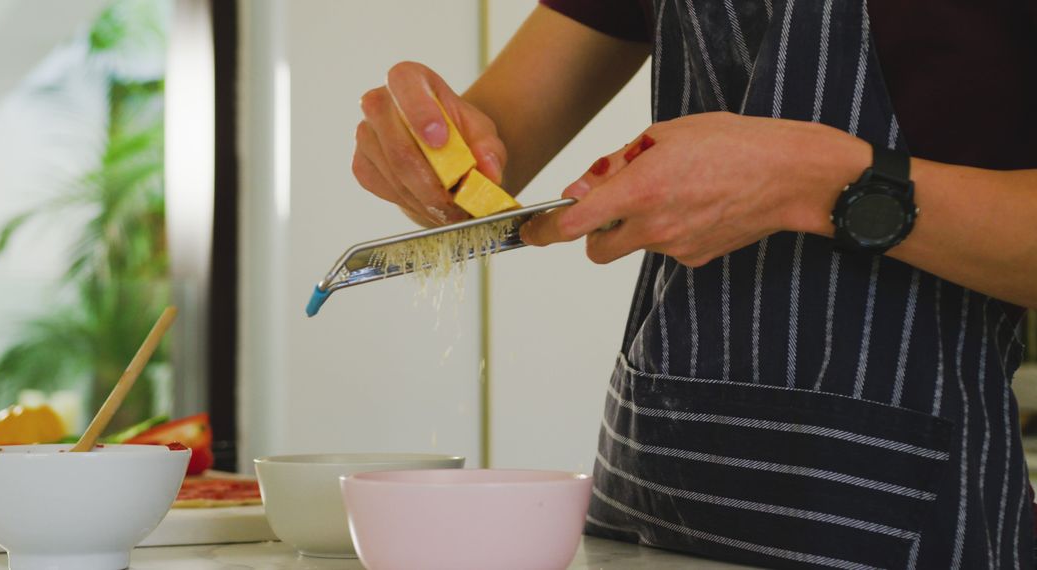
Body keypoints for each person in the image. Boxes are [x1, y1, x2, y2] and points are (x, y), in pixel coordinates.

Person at [351, 1, 1037, 567]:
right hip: (655, 498)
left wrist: (814, 181)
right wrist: (428, 151)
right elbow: (488, 159)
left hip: (902, 511)